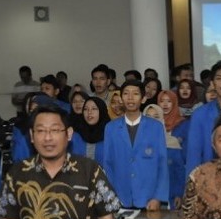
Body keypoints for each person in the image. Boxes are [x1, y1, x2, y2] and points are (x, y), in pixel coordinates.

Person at [103, 80, 169, 210]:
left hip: (149, 199)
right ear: (121, 98)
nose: (130, 98)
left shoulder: (155, 127)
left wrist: (158, 197)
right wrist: (111, 196)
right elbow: (108, 164)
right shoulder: (111, 128)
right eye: (126, 94)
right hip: (120, 198)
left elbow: (162, 163)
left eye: (135, 94)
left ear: (143, 98)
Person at [144, 103, 186, 208]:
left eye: (156, 117)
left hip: (169, 197)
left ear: (162, 120)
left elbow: (179, 171)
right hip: (143, 198)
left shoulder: (172, 142)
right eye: (148, 117)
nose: (152, 121)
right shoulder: (137, 144)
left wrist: (178, 194)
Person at [74, 96, 110, 163]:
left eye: (94, 109)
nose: (89, 112)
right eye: (85, 109)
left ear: (102, 111)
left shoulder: (111, 134)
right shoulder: (75, 135)